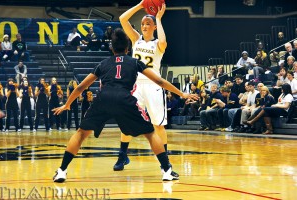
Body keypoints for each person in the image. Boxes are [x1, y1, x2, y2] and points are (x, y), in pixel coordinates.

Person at [52, 28, 196, 183]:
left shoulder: (103, 63)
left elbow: (80, 87)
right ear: (128, 49)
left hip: (104, 98)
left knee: (81, 133)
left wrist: (67, 104)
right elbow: (160, 81)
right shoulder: (135, 62)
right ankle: (167, 171)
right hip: (124, 98)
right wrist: (182, 94)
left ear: (111, 48)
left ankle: (62, 171)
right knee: (150, 133)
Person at [113, 1, 172, 171]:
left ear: (153, 27)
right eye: (143, 24)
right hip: (136, 86)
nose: (144, 26)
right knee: (127, 121)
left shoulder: (158, 45)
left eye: (148, 23)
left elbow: (163, 41)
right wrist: (140, 5)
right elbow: (123, 19)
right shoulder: (136, 40)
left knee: (158, 125)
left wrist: (159, 19)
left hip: (154, 86)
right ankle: (122, 156)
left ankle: (165, 161)